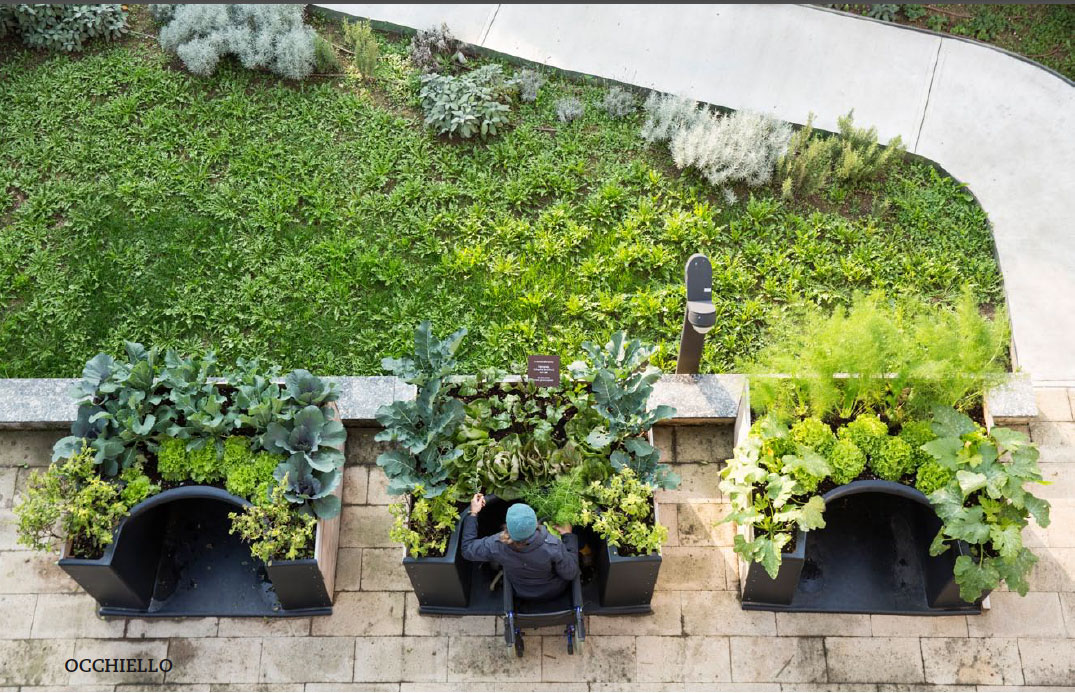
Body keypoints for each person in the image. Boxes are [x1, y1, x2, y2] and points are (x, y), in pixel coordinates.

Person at [461, 493, 579, 601]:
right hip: (554, 590)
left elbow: (467, 550)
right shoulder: (553, 546)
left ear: (507, 526)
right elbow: (570, 573)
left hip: (521, 591)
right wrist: (568, 535)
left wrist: (473, 513)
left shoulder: (497, 544)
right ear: (535, 523)